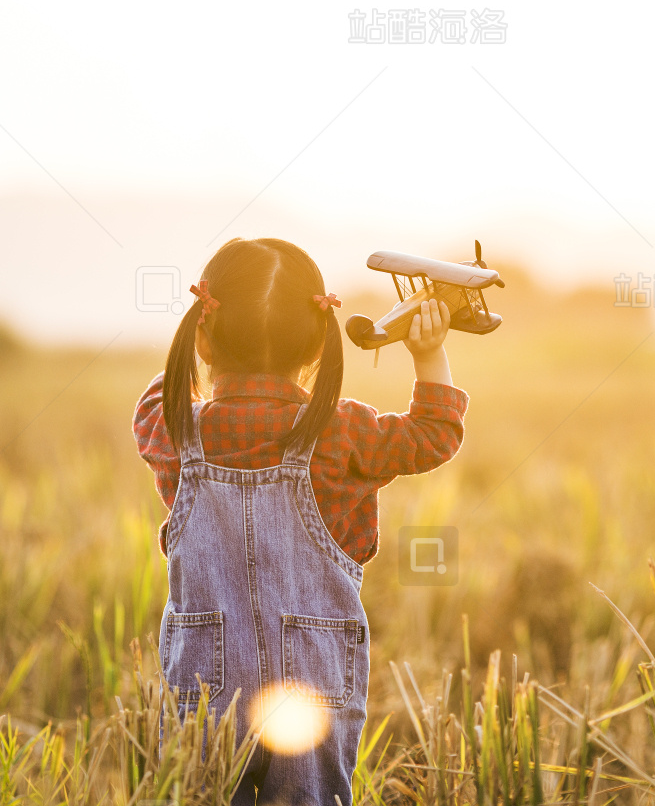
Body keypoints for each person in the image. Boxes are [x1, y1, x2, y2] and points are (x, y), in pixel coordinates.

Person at [133, 237, 468, 804]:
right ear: (319, 341)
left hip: (203, 691)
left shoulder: (172, 428)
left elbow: (156, 399)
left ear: (203, 336)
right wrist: (428, 352)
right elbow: (433, 434)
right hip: (313, 691)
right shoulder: (342, 431)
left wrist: (200, 331)